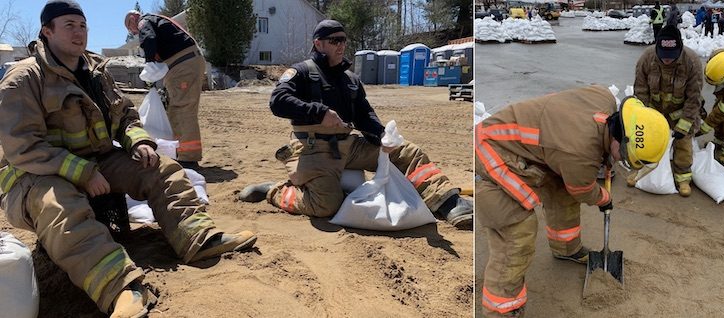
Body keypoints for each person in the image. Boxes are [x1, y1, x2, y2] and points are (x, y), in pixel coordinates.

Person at [0, 1, 257, 317]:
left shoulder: (95, 69)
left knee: (161, 169)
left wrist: (139, 142)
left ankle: (199, 238)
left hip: (97, 160)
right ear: (47, 31)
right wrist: (82, 173)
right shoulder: (24, 78)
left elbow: (125, 115)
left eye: (82, 26)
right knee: (60, 205)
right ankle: (121, 288)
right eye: (69, 25)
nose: (79, 33)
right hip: (37, 176)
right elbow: (23, 147)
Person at [238, 20, 473, 230]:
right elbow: (278, 102)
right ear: (318, 44)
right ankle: (277, 190)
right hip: (315, 147)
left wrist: (381, 136)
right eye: (335, 41)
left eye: (343, 41)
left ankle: (448, 201)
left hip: (349, 145)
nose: (341, 46)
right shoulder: (301, 72)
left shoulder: (350, 79)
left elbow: (363, 113)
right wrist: (318, 113)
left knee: (407, 152)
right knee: (325, 207)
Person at [476, 86, 670, 317]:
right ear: (619, 139)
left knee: (562, 191)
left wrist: (604, 155)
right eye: (625, 158)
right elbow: (583, 189)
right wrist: (604, 198)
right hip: (491, 147)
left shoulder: (604, 98)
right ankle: (502, 308)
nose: (622, 162)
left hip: (536, 150)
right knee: (517, 232)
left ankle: (566, 247)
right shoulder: (579, 153)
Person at [124, 10, 205, 170]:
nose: (133, 32)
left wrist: (149, 62)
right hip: (185, 63)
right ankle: (184, 154)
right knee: (178, 109)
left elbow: (149, 38)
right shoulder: (157, 20)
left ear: (133, 19)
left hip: (182, 65)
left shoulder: (144, 21)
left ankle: (189, 159)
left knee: (182, 109)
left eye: (130, 27)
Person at [633, 25, 704, 197]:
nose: (666, 60)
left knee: (683, 143)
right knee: (649, 143)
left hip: (681, 113)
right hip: (655, 111)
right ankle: (645, 171)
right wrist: (646, 118)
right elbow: (641, 91)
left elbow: (694, 98)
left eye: (671, 57)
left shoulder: (691, 61)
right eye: (663, 56)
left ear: (679, 48)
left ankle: (683, 178)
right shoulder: (647, 58)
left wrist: (683, 126)